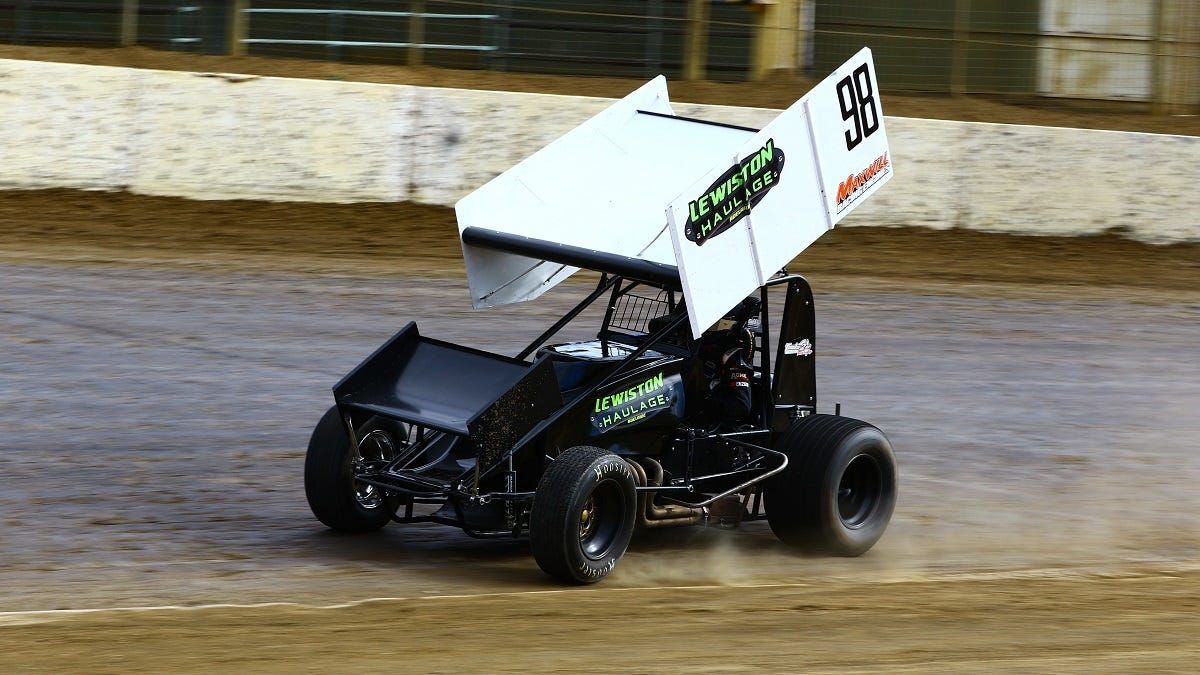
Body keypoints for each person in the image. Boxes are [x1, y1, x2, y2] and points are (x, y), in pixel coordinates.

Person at [698, 296, 759, 428]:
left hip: (712, 424)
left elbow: (740, 407)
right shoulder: (697, 345)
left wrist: (704, 401)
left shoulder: (733, 356)